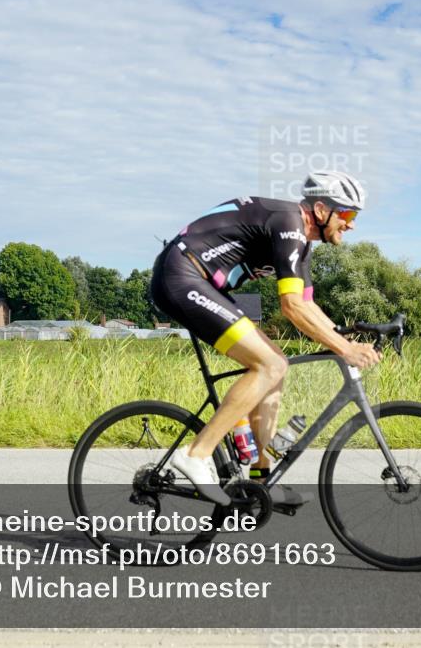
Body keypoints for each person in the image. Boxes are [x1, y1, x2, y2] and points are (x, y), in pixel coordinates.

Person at [149, 171, 381, 506]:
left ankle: (262, 478)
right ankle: (195, 455)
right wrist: (345, 349)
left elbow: (306, 304)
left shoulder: (301, 246)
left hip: (202, 284)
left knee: (276, 367)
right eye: (347, 214)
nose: (352, 224)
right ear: (320, 210)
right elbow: (290, 308)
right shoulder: (288, 223)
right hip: (181, 276)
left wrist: (350, 336)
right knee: (270, 365)